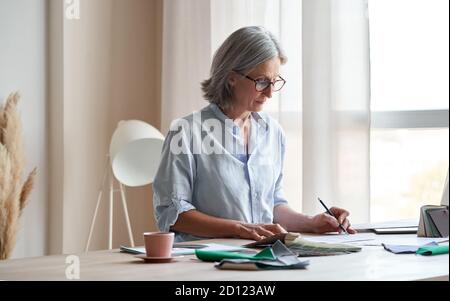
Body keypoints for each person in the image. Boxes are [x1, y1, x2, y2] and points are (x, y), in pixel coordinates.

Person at [153, 26, 356, 242]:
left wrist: (312, 222)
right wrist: (239, 228)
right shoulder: (186, 132)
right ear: (232, 78)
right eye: (261, 81)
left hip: (260, 256)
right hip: (203, 261)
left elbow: (273, 204)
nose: (269, 92)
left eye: (274, 81)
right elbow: (173, 214)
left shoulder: (272, 132)